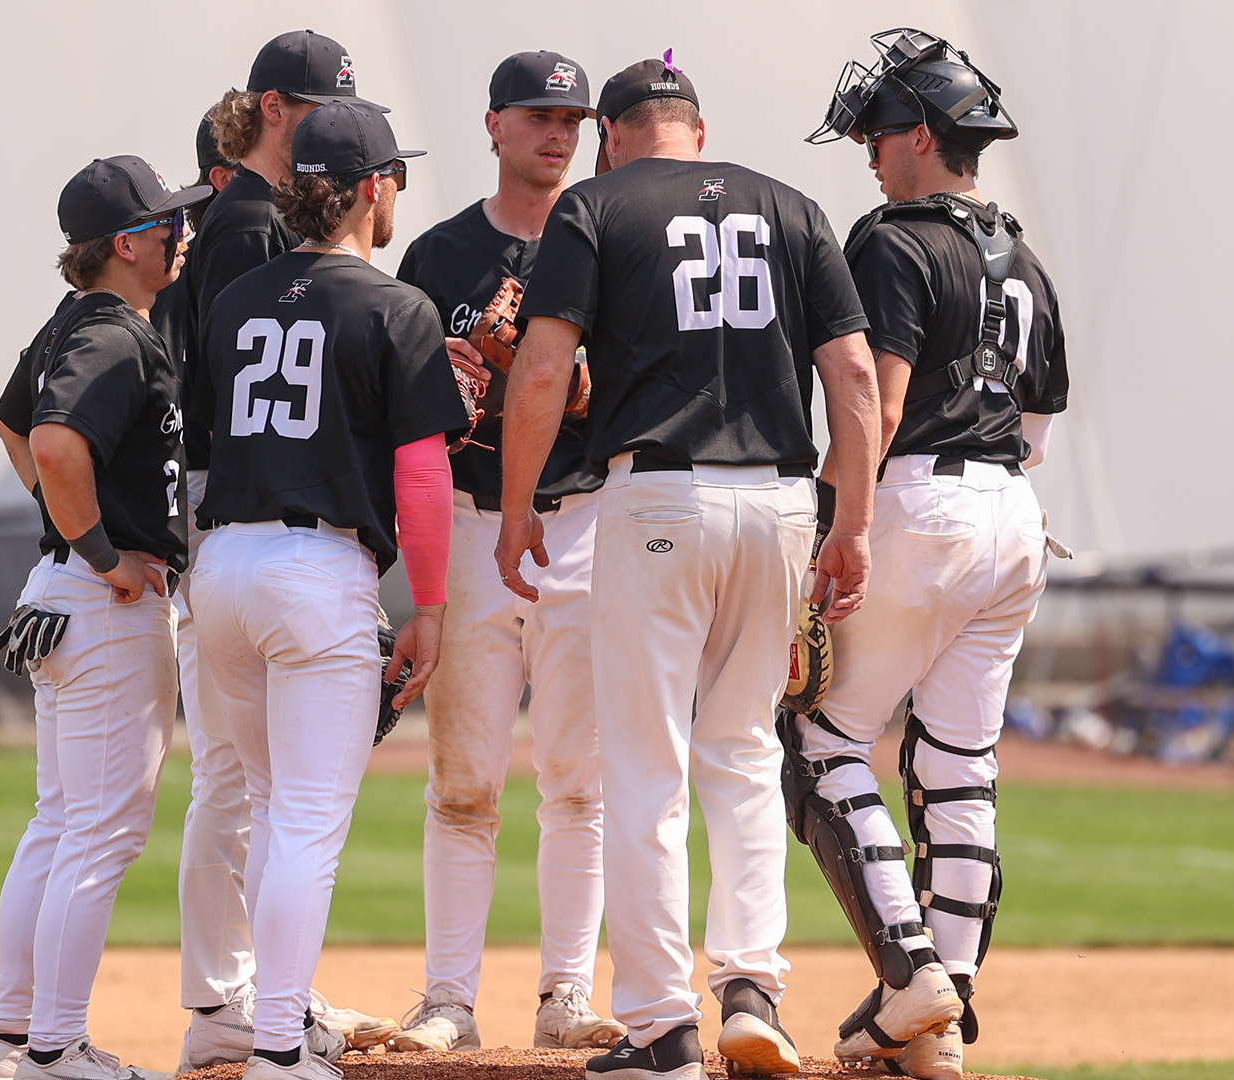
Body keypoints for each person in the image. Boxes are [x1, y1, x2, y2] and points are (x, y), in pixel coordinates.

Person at [496, 55, 880, 1080]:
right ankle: (753, 990)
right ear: (697, 131)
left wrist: (522, 505)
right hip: (780, 501)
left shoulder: (595, 205)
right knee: (747, 751)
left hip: (658, 495)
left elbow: (540, 370)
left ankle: (662, 1027)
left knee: (646, 764)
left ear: (615, 134)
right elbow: (849, 374)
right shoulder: (792, 207)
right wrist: (854, 523)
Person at [795, 29, 1067, 1079]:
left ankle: (914, 980)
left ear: (920, 134)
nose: (868, 149)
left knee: (823, 744)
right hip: (1015, 517)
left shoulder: (892, 238)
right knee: (960, 764)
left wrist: (838, 525)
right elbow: (1041, 424)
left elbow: (883, 402)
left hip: (919, 505)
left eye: (876, 131)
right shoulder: (1024, 254)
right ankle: (942, 1016)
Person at [189, 100, 468, 1080]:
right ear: (375, 187)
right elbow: (424, 477)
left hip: (222, 567)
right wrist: (428, 606)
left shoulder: (236, 300)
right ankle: (277, 1050)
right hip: (315, 572)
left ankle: (279, 1019)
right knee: (306, 820)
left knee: (270, 807)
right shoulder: (395, 307)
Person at [386, 50, 623, 1055]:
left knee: (580, 779)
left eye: (571, 115)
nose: (558, 131)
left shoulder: (615, 240)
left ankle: (567, 994)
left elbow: (654, 391)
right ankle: (449, 999)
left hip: (588, 522)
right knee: (465, 783)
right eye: (537, 114)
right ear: (494, 125)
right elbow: (391, 410)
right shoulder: (438, 257)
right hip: (476, 528)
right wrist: (454, 377)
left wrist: (582, 383)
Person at [174, 32, 400, 1071]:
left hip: (238, 537)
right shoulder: (246, 230)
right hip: (246, 521)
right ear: (273, 107)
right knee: (241, 785)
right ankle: (235, 1000)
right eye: (312, 107)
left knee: (248, 788)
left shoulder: (251, 224)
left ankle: (255, 998)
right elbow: (218, 405)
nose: (326, 125)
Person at [0, 155, 212, 1080]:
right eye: (168, 224)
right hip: (100, 601)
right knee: (102, 831)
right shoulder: (115, 333)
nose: (181, 235)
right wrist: (101, 550)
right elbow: (48, 438)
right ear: (127, 244)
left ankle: (16, 1040)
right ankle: (56, 1045)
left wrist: (70, 533)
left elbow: (9, 423)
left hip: (61, 597)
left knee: (60, 822)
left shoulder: (71, 323)